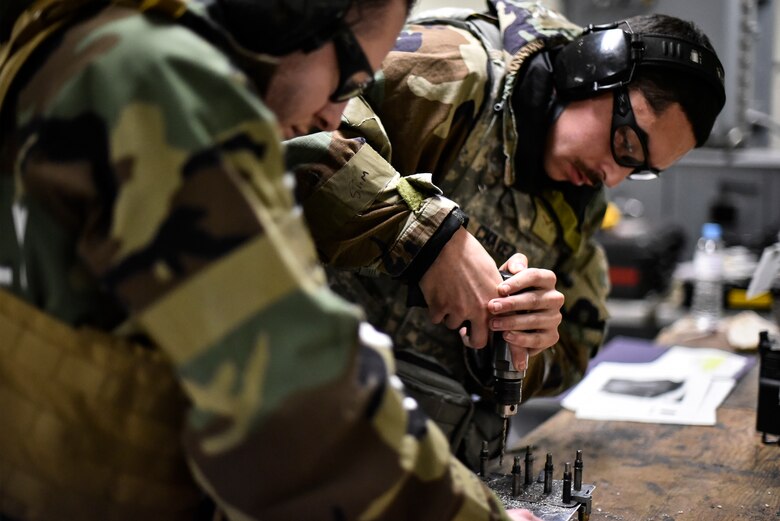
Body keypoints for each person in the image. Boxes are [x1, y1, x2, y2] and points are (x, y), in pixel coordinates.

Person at [0, 0, 546, 519]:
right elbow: (301, 408)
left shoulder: (74, 38)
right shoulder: (164, 85)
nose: (335, 120)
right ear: (294, 15)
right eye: (351, 86)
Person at [286, 0, 726, 470]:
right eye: (625, 145)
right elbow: (286, 130)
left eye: (639, 169)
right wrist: (429, 240)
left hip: (402, 453)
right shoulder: (449, 67)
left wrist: (525, 340)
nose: (613, 177)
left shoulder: (580, 194)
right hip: (278, 397)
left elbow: (576, 338)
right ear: (592, 68)